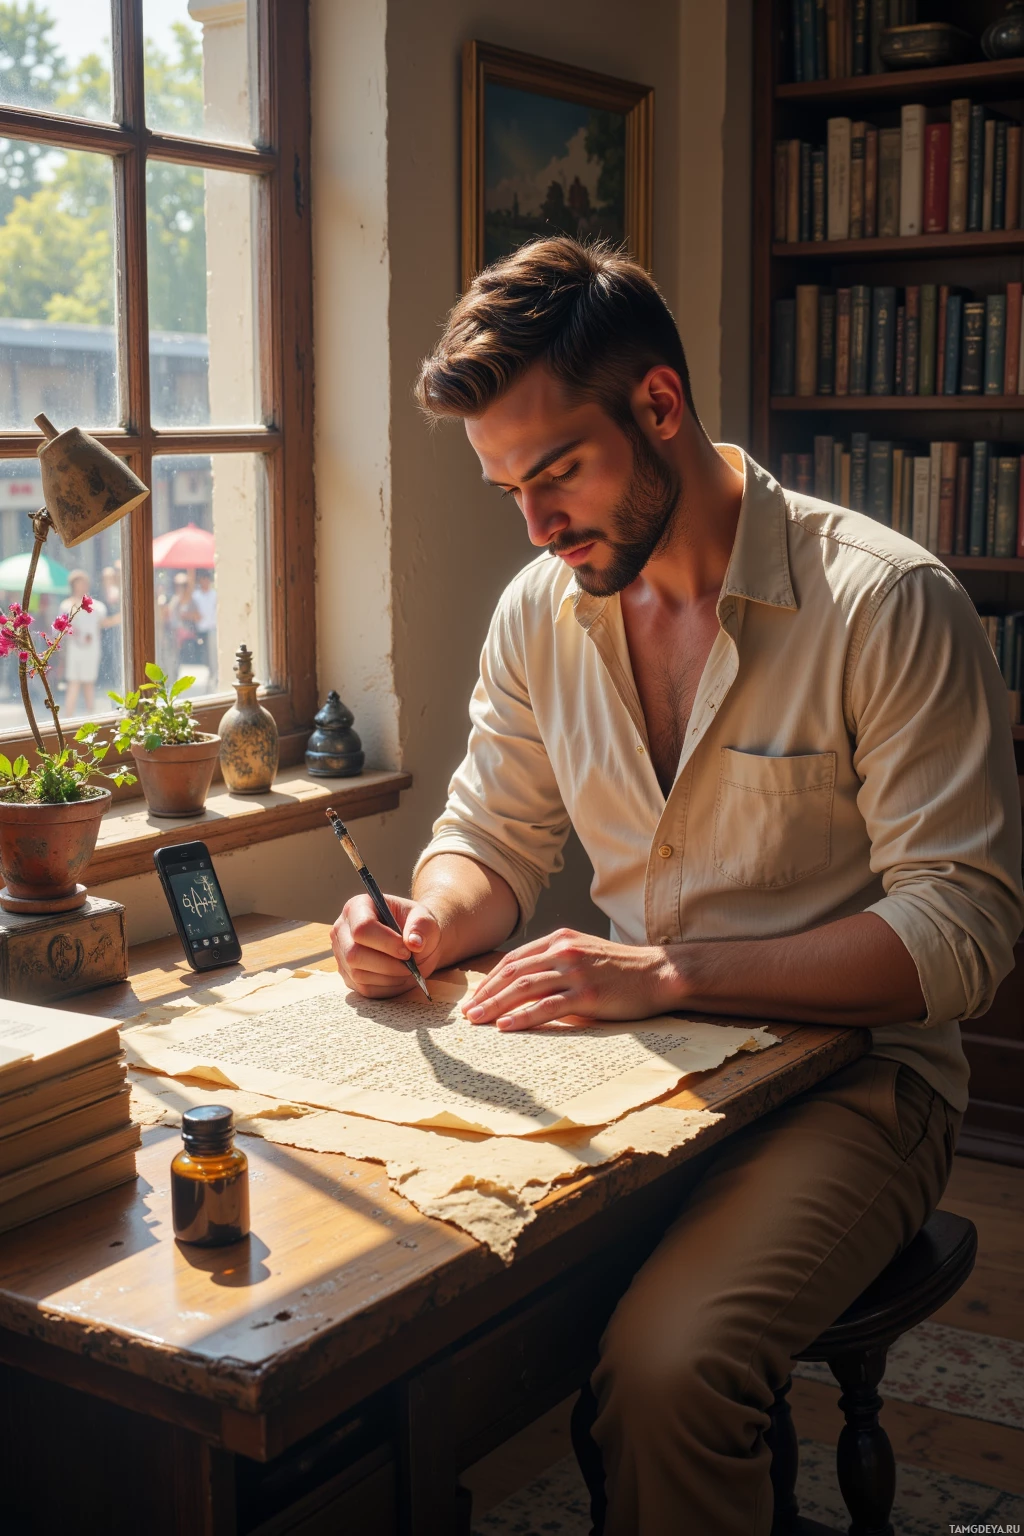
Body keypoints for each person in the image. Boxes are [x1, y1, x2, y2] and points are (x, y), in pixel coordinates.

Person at [330, 238, 1024, 1535]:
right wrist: (426, 918)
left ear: (660, 407)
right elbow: (490, 838)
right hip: (637, 1066)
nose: (536, 526)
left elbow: (962, 935)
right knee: (398, 1314)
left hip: (860, 1081)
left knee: (666, 1372)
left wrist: (669, 972)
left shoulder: (886, 604)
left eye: (558, 474)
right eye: (507, 491)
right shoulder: (543, 612)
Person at [60, 569, 107, 719]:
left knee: (89, 683)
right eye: (78, 583)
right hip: (75, 650)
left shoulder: (97, 606)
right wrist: (78, 634)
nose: (82, 586)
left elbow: (101, 625)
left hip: (92, 649)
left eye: (84, 583)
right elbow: (63, 626)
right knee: (73, 682)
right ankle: (67, 719)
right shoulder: (66, 605)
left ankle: (90, 718)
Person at [191, 568, 218, 685]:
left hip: (212, 627)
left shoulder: (214, 595)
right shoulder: (196, 595)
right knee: (204, 654)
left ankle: (214, 673)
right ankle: (210, 672)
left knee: (213, 653)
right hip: (201, 628)